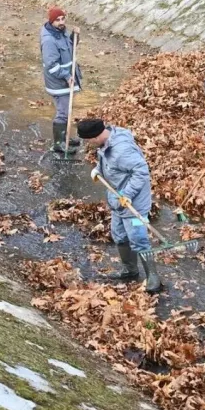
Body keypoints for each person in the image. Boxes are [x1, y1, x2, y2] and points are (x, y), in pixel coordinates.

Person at [78, 118, 162, 294]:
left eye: (88, 140)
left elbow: (141, 172)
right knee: (119, 236)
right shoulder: (107, 139)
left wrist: (128, 194)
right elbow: (108, 162)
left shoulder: (122, 151)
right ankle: (130, 270)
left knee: (138, 238)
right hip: (117, 200)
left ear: (95, 137)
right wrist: (98, 170)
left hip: (134, 203)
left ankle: (153, 276)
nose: (89, 144)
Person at [40, 8, 82, 155]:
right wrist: (66, 76)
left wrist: (74, 37)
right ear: (51, 22)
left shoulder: (61, 33)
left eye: (63, 19)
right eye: (57, 20)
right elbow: (51, 65)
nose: (61, 22)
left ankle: (65, 137)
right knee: (63, 112)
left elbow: (69, 49)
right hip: (59, 83)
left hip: (66, 80)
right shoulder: (49, 40)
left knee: (67, 110)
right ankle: (59, 143)